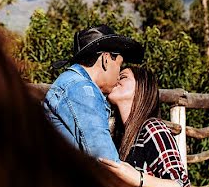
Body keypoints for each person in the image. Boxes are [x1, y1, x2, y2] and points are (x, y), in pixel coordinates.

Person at [43, 25, 144, 161]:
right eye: (119, 65)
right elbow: (107, 161)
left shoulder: (70, 83)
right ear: (106, 59)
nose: (119, 74)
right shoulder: (83, 90)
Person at [100, 65, 193, 187]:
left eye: (123, 77)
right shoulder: (119, 137)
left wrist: (138, 179)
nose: (116, 79)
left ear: (141, 88)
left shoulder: (153, 128)